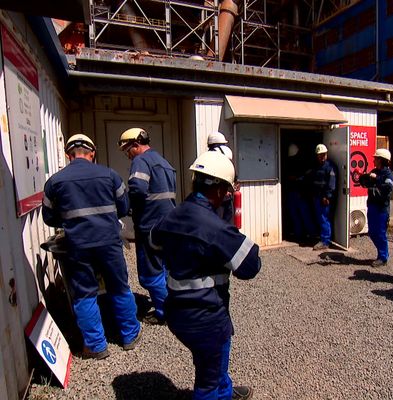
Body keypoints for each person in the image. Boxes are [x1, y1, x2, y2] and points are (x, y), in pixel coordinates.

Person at [149, 151, 260, 400]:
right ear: (219, 189)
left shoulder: (171, 216)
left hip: (177, 313)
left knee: (213, 362)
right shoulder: (215, 228)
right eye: (227, 191)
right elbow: (250, 266)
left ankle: (227, 391)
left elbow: (153, 242)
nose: (228, 196)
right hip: (206, 319)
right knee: (207, 381)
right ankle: (218, 392)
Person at [42, 134, 141, 360]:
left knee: (84, 293)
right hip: (109, 242)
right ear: (92, 152)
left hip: (78, 245)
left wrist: (69, 220)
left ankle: (96, 346)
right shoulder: (110, 175)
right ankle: (129, 336)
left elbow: (49, 216)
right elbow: (124, 207)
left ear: (69, 155)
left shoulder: (55, 182)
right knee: (119, 287)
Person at [119, 128, 176, 325]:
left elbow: (137, 189)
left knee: (150, 274)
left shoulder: (140, 161)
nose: (128, 155)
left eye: (128, 150)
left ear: (136, 145)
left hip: (149, 227)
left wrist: (126, 207)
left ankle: (166, 313)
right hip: (168, 225)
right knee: (167, 268)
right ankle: (175, 305)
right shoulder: (165, 162)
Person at [360, 148, 393, 267]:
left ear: (381, 160)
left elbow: (387, 188)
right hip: (372, 206)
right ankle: (382, 254)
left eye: (376, 158)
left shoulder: (388, 174)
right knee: (372, 232)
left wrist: (377, 179)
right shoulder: (375, 171)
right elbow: (367, 184)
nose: (374, 160)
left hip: (381, 209)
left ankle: (383, 257)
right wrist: (364, 178)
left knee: (380, 233)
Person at [307, 144, 337, 250]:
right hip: (317, 197)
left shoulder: (330, 167)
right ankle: (322, 237)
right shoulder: (316, 166)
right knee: (320, 218)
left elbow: (332, 184)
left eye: (323, 154)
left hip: (324, 199)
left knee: (324, 219)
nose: (322, 157)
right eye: (320, 155)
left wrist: (327, 197)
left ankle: (325, 241)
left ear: (326, 154)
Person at [284, 143, 315, 242]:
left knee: (301, 215)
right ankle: (303, 234)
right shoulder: (294, 163)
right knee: (299, 215)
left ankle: (307, 234)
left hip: (299, 193)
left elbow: (305, 177)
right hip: (296, 193)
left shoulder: (298, 163)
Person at [207, 131, 235, 223]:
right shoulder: (214, 158)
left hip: (221, 197)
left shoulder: (207, 158)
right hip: (220, 199)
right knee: (223, 223)